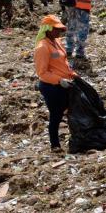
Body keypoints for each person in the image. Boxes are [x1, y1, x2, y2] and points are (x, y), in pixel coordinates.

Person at [34, 14, 77, 152]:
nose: (59, 32)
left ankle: (76, 137)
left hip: (64, 84)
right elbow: (42, 73)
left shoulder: (56, 41)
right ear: (47, 29)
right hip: (51, 87)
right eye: (56, 29)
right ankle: (55, 145)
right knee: (56, 115)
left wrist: (72, 74)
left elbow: (63, 62)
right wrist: (59, 80)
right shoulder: (42, 47)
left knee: (72, 111)